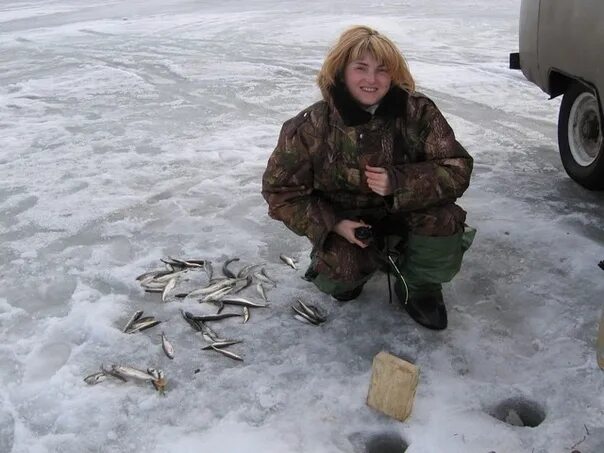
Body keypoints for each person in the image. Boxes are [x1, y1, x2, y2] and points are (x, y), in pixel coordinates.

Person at [262, 25, 475, 330]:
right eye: (360, 68)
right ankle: (362, 264)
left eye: (382, 70)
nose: (371, 80)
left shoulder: (419, 113)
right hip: (350, 224)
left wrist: (399, 183)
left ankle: (419, 287)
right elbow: (280, 191)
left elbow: (457, 167)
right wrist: (335, 223)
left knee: (444, 219)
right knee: (340, 281)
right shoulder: (311, 125)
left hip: (409, 214)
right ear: (340, 71)